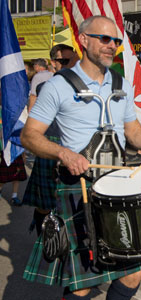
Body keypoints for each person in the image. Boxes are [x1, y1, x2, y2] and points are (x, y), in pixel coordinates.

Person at [21, 16, 141, 300]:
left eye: (115, 40)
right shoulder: (58, 85)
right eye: (104, 39)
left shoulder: (121, 84)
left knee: (133, 271)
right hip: (80, 188)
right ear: (83, 39)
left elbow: (132, 130)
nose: (111, 45)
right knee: (83, 282)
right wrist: (63, 153)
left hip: (118, 187)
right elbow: (30, 136)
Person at [22, 43, 79, 235]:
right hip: (51, 142)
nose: (68, 65)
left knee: (72, 199)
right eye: (63, 61)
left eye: (72, 61)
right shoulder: (45, 86)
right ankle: (43, 235)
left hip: (74, 144)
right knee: (46, 201)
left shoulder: (83, 86)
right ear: (53, 63)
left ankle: (67, 236)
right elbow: (33, 111)